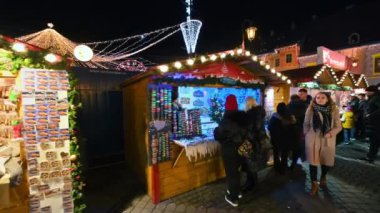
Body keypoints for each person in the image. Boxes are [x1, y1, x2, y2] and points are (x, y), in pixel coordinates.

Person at [304, 92, 342, 195]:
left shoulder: (334, 110)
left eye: (322, 97)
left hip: (327, 139)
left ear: (327, 99)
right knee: (313, 162)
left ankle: (323, 176)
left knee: (326, 162)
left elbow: (338, 126)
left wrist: (330, 134)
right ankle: (314, 184)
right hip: (313, 138)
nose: (320, 99)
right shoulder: (311, 109)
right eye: (317, 97)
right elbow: (306, 124)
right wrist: (307, 134)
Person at [214, 95, 249, 207]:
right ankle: (237, 191)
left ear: (226, 106)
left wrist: (215, 130)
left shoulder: (226, 120)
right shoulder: (243, 118)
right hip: (241, 149)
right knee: (237, 171)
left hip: (230, 150)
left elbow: (219, 135)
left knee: (231, 173)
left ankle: (233, 198)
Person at [242, 96, 266, 192]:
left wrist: (247, 137)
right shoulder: (260, 113)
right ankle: (252, 182)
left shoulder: (250, 115)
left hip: (252, 142)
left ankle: (251, 183)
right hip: (258, 142)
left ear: (248, 104)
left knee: (250, 163)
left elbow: (252, 130)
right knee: (253, 163)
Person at [268, 102, 296, 174]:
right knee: (284, 154)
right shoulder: (290, 117)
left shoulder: (274, 117)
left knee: (276, 153)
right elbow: (293, 130)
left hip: (276, 139)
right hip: (286, 140)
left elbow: (269, 127)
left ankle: (276, 168)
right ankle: (283, 169)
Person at [360, 85, 380, 163]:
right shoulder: (374, 98)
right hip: (373, 124)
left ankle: (370, 157)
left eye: (368, 91)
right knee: (374, 141)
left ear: (372, 91)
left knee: (374, 141)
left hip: (375, 124)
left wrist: (370, 115)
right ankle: (370, 156)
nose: (366, 93)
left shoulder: (376, 98)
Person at [287, 94, 304, 169]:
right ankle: (294, 163)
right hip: (300, 130)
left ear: (291, 99)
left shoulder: (288, 106)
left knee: (287, 146)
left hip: (289, 129)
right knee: (297, 147)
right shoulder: (304, 107)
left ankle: (286, 163)